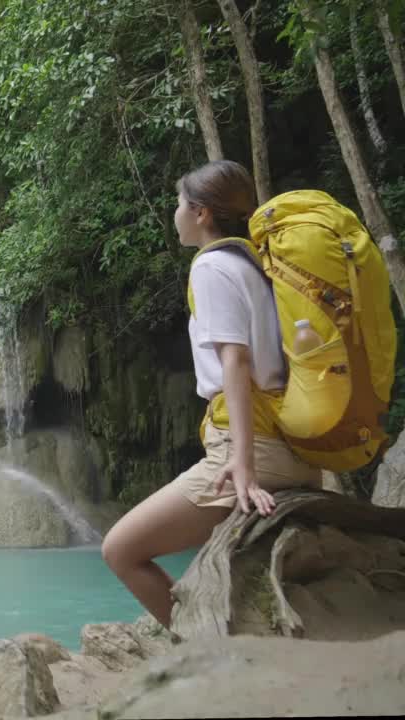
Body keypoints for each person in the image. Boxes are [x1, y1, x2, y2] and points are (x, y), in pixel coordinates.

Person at [101, 160, 322, 629]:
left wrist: (242, 463)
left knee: (120, 550)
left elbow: (235, 363)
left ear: (201, 214)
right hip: (290, 443)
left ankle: (197, 651)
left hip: (253, 447)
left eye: (179, 204)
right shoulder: (252, 262)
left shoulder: (211, 267)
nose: (175, 213)